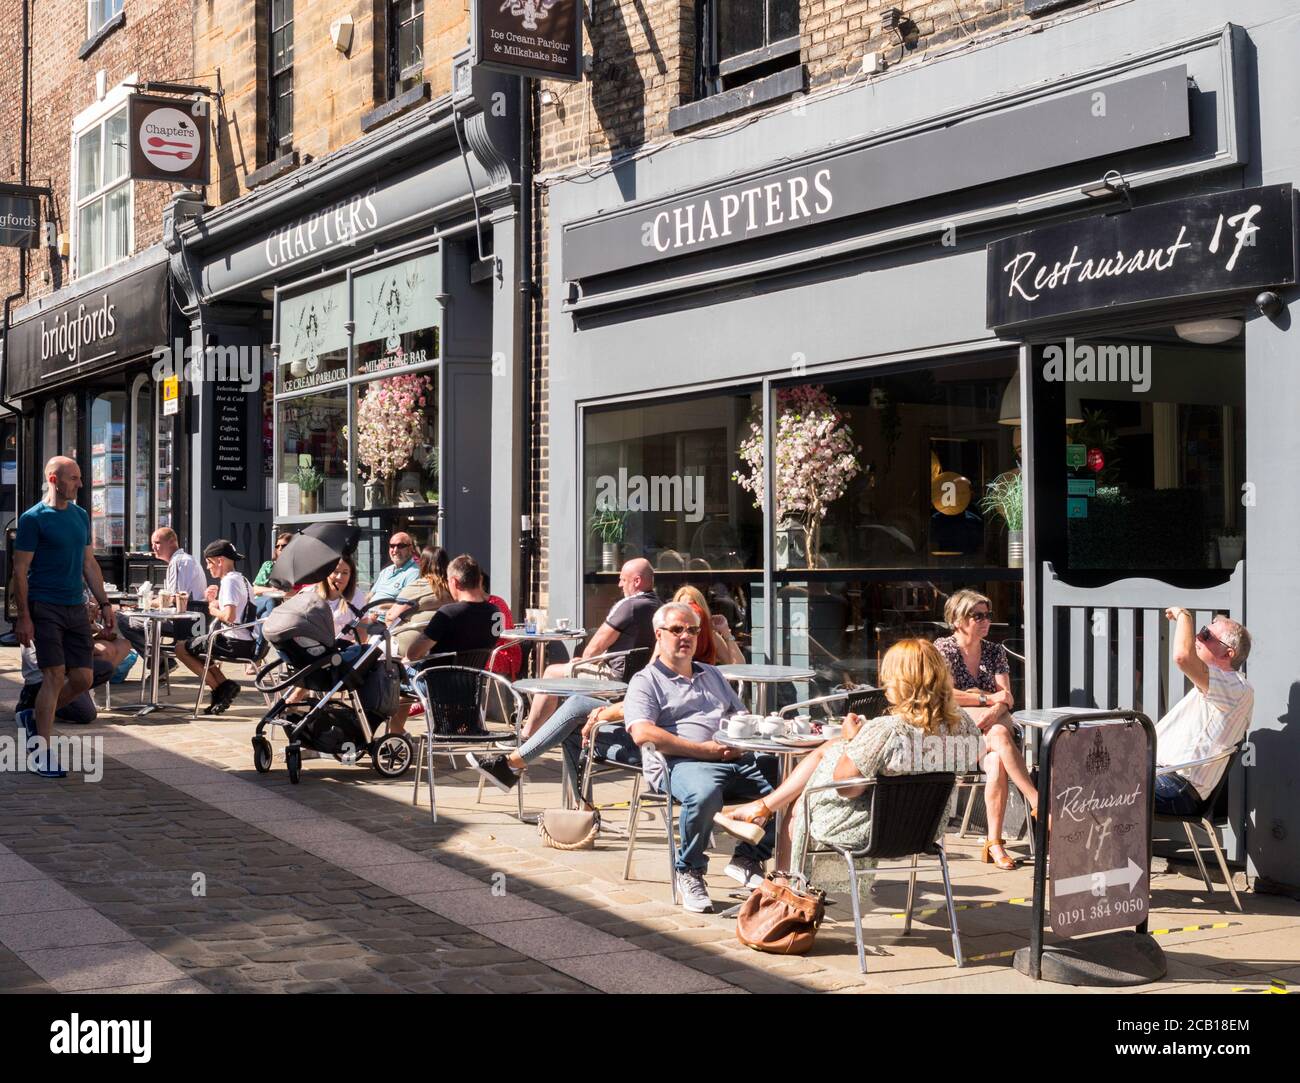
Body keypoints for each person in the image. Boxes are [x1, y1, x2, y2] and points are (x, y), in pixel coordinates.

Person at [719, 639, 984, 890]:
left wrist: (851, 741)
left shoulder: (887, 729)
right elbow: (968, 758)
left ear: (906, 682)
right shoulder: (964, 726)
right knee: (830, 750)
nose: (884, 682)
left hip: (872, 830)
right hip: (926, 829)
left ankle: (787, 893)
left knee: (801, 806)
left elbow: (847, 789)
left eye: (889, 676)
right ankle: (762, 809)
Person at [622, 601, 777, 914]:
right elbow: (643, 733)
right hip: (680, 763)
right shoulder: (646, 681)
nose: (686, 636)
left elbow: (739, 714)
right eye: (677, 629)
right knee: (704, 793)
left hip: (732, 758)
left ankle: (749, 856)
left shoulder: (712, 674)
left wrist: (741, 739)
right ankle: (689, 870)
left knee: (789, 779)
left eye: (692, 630)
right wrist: (702, 750)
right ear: (659, 634)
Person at [12, 456, 116, 776]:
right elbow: (20, 570)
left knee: (83, 679)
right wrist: (23, 616)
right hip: (45, 607)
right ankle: (41, 752)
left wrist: (105, 602)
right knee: (55, 676)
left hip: (75, 608)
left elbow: (89, 564)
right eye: (74, 478)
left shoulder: (81, 516)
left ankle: (34, 717)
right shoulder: (33, 519)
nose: (81, 484)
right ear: (55, 480)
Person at [932, 589, 1039, 870]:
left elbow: (1008, 697)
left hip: (989, 729)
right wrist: (986, 697)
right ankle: (1037, 801)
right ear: (957, 619)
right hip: (955, 738)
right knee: (1001, 737)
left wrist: (990, 710)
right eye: (976, 616)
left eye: (987, 615)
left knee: (997, 761)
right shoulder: (943, 649)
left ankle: (994, 843)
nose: (985, 621)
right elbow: (944, 695)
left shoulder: (994, 651)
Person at [515, 558, 658, 744]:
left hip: (615, 678)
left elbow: (595, 646)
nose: (619, 584)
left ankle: (526, 736)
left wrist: (582, 661)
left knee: (551, 673)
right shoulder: (658, 605)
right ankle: (545, 731)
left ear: (637, 581)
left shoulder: (628, 606)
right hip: (638, 677)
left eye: (623, 579)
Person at [1153, 608, 1253, 815]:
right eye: (1202, 630)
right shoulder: (1217, 687)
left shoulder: (1235, 687)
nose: (1198, 637)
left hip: (1177, 787)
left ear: (1228, 653)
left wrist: (1184, 615)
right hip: (1161, 777)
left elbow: (1182, 656)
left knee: (1091, 789)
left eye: (1206, 635)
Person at [394, 554, 502, 735]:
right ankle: (399, 735)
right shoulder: (495, 612)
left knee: (390, 678)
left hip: (435, 683)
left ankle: (396, 733)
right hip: (471, 687)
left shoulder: (449, 614)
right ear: (479, 579)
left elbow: (414, 653)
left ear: (454, 582)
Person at [17, 596, 132, 725]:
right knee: (86, 714)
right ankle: (33, 706)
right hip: (45, 674)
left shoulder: (73, 599)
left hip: (65, 668)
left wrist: (91, 623)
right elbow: (66, 650)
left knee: (103, 667)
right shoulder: (47, 605)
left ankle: (61, 700)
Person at [174, 540, 258, 714]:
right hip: (246, 640)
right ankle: (224, 687)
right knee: (198, 648)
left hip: (233, 641)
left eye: (209, 562)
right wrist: (213, 600)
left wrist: (211, 608)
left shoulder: (229, 581)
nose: (207, 567)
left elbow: (229, 616)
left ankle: (220, 688)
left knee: (181, 648)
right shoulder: (241, 579)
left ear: (219, 561)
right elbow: (238, 611)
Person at [117, 527, 209, 657]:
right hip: (193, 618)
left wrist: (141, 604)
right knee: (133, 617)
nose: (153, 547)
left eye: (157, 543)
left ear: (172, 541)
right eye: (152, 543)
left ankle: (158, 662)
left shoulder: (179, 561)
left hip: (185, 621)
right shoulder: (184, 559)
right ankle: (158, 660)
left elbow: (171, 599)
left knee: (123, 619)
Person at [388, 545, 451, 656]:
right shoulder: (454, 588)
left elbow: (391, 618)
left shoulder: (418, 586)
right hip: (445, 646)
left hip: (412, 646)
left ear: (422, 564)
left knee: (372, 645)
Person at [673, 585, 744, 665]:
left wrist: (726, 631)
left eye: (692, 605)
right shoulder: (670, 635)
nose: (689, 610)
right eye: (683, 606)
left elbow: (739, 666)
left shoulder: (711, 636)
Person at [363, 532, 420, 621]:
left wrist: (378, 608)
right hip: (369, 618)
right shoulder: (386, 571)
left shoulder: (414, 573)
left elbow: (406, 605)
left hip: (387, 623)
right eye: (392, 546)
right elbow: (371, 595)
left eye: (400, 546)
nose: (395, 550)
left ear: (410, 548)